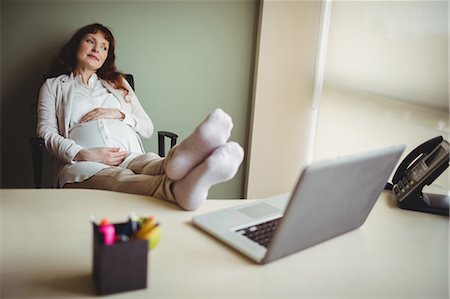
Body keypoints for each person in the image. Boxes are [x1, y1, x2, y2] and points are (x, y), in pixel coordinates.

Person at [37, 23, 244, 211]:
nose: (96, 50)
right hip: (83, 165)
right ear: (76, 46)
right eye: (90, 41)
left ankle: (177, 162)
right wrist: (83, 154)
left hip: (129, 154)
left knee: (150, 162)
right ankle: (180, 184)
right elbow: (46, 132)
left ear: (106, 56)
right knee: (120, 177)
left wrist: (118, 114)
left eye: (103, 47)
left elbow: (147, 127)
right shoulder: (54, 86)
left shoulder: (117, 83)